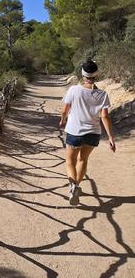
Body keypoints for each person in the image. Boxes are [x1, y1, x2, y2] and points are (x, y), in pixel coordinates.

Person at [59, 60, 116, 205]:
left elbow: (65, 109)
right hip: (93, 133)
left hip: (74, 131)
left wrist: (62, 120)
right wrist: (110, 137)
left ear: (82, 74)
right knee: (83, 160)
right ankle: (76, 186)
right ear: (97, 74)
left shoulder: (74, 90)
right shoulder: (102, 94)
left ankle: (73, 186)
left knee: (70, 161)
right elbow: (104, 116)